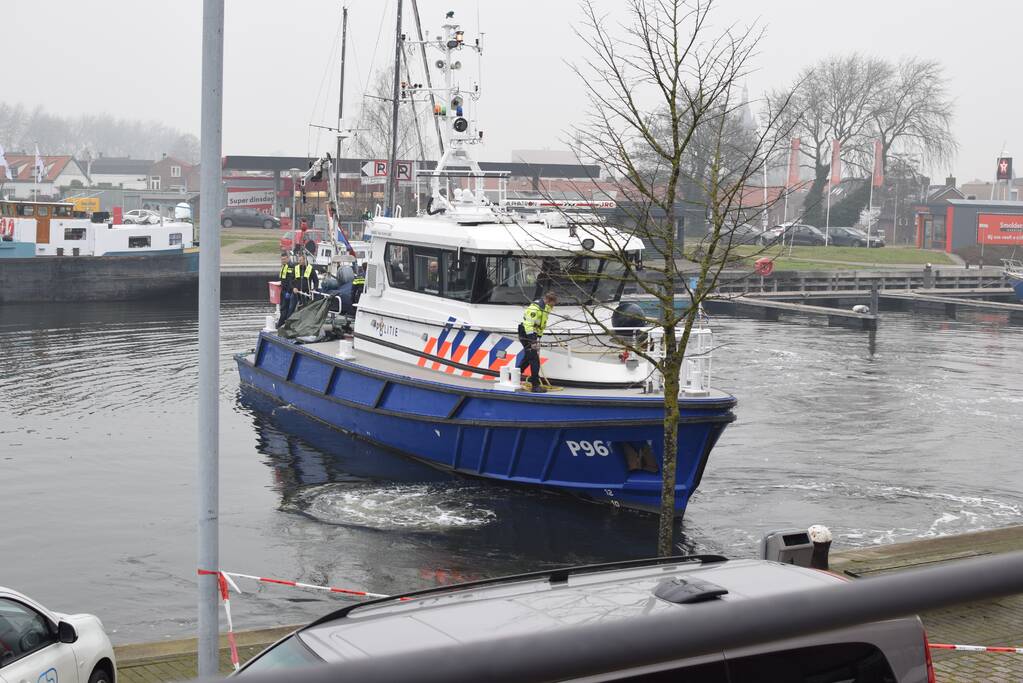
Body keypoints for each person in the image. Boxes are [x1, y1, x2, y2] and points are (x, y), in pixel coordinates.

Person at [517, 292, 557, 393]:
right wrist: (533, 340)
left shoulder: (546, 308)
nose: (553, 307)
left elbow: (542, 324)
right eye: (553, 304)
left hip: (533, 334)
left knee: (528, 357)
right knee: (534, 359)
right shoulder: (535, 309)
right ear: (548, 300)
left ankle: (514, 376)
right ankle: (535, 385)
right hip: (526, 333)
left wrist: (538, 337)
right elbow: (528, 325)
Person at [277, 252, 296, 327]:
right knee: (282, 307)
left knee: (284, 308)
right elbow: (284, 279)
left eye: (284, 259)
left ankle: (281, 324)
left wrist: (288, 291)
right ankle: (282, 323)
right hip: (283, 290)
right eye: (282, 259)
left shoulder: (290, 266)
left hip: (287, 291)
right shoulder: (284, 266)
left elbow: (290, 280)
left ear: (288, 258)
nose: (283, 261)